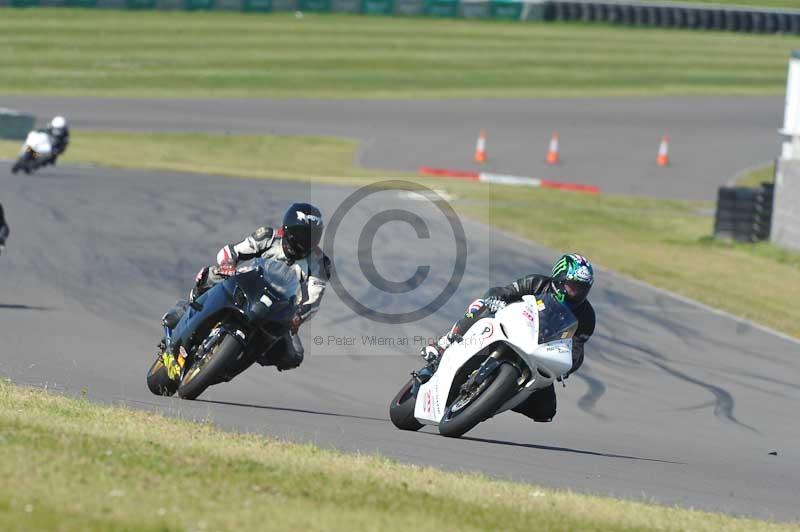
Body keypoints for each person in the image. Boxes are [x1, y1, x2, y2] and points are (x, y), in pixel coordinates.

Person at [420, 253, 596, 423]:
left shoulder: (587, 316)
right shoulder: (537, 283)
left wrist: (567, 366)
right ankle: (445, 342)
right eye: (572, 286)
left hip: (539, 353)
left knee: (546, 411)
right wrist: (497, 298)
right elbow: (505, 291)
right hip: (508, 329)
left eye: (582, 289)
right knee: (483, 305)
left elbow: (576, 348)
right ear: (559, 279)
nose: (576, 292)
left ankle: (496, 399)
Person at [161, 203, 331, 376]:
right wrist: (227, 265)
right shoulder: (269, 237)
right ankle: (189, 309)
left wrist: (298, 317)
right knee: (212, 274)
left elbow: (313, 301)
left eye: (313, 236)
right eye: (302, 234)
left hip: (280, 307)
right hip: (248, 284)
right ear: (288, 229)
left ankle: (241, 356)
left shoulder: (320, 264)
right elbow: (231, 251)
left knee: (294, 355)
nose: (306, 241)